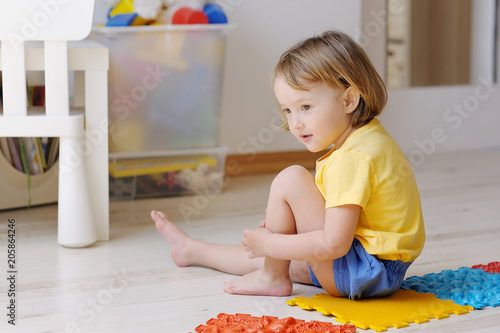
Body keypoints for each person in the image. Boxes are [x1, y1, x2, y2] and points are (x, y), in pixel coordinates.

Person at [151, 30, 425, 299]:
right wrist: (286, 233)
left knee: (291, 179)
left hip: (361, 272)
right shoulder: (371, 138)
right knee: (281, 258)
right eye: (287, 110)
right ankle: (191, 250)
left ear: (349, 99)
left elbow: (333, 244)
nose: (295, 123)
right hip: (380, 270)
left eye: (306, 107)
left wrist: (272, 242)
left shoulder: (351, 159)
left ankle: (272, 277)